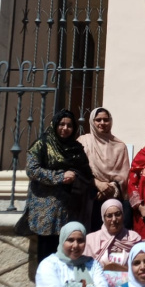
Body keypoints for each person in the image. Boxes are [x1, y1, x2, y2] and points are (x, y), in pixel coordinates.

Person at [24, 110, 95, 261]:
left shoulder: (76, 148)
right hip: (45, 208)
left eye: (69, 125)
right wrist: (59, 177)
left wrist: (75, 176)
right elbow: (32, 170)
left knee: (65, 246)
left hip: (69, 207)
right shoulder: (41, 144)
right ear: (55, 124)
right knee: (45, 249)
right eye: (61, 124)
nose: (65, 128)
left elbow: (86, 173)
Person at [79, 107, 131, 232]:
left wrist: (110, 187)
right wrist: (97, 183)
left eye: (106, 120)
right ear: (92, 121)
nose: (102, 123)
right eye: (98, 120)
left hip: (112, 199)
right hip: (88, 198)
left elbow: (124, 177)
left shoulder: (119, 146)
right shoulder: (83, 142)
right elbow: (78, 170)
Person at [84, 198, 141, 287]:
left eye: (118, 214)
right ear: (103, 218)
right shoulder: (91, 240)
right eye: (109, 216)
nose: (114, 219)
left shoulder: (134, 238)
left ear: (123, 215)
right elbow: (85, 270)